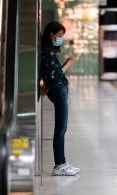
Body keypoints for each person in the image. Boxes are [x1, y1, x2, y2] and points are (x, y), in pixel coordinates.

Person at [39, 21, 80, 176]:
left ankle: (62, 161)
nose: (61, 39)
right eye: (60, 36)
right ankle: (59, 164)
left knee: (62, 128)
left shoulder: (49, 52)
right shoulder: (47, 54)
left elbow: (56, 72)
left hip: (59, 90)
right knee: (60, 129)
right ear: (51, 35)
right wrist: (69, 63)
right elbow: (55, 77)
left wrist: (65, 63)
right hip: (58, 91)